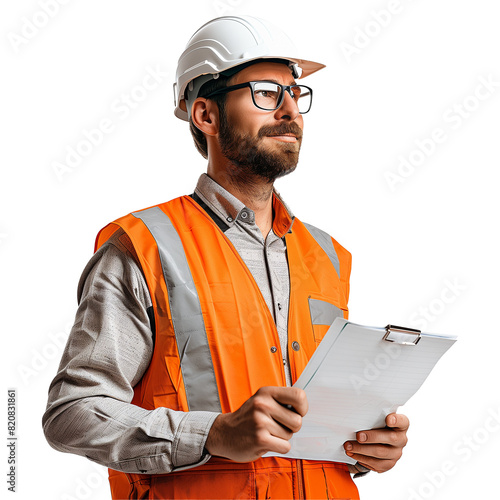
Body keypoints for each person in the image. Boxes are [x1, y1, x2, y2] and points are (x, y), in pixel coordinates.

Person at [43, 15, 409, 500]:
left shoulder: (327, 256)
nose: (289, 112)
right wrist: (213, 434)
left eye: (294, 94)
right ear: (206, 116)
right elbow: (73, 412)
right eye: (264, 93)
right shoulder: (146, 246)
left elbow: (314, 419)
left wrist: (363, 446)